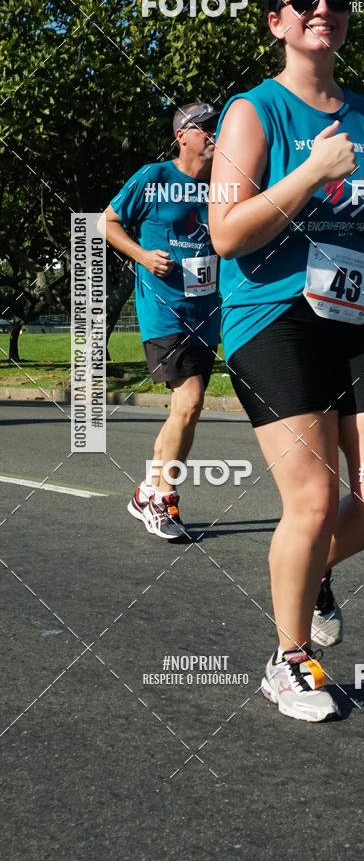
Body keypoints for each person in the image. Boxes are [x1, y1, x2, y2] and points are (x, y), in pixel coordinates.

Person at [209, 0, 364, 722]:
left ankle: (310, 572)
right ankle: (290, 658)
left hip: (358, 317)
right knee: (313, 498)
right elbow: (227, 232)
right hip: (274, 317)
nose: (320, 6)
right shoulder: (253, 111)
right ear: (277, 19)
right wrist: (310, 170)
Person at [103, 102, 221, 540]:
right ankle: (163, 501)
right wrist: (143, 256)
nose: (215, 135)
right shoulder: (153, 178)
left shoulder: (225, 183)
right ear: (182, 135)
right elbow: (108, 223)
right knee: (188, 403)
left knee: (185, 411)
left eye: (218, 128)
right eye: (206, 128)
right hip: (164, 309)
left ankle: (146, 492)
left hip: (206, 313)